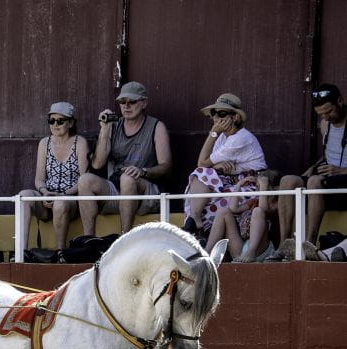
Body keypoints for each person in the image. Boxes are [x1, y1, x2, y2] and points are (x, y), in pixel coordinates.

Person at [76, 81, 172, 236]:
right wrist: (105, 130)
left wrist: (143, 171)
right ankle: (89, 239)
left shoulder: (156, 126)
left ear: (144, 103)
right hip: (117, 190)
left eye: (132, 102)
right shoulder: (114, 125)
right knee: (85, 180)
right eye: (122, 102)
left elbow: (166, 167)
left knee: (127, 178)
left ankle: (124, 236)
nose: (126, 106)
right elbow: (98, 163)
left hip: (146, 192)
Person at [273, 83, 347, 252]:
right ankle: (284, 245)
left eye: (329, 112)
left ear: (340, 101)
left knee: (314, 182)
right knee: (288, 180)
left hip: (343, 182)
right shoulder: (325, 124)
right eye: (321, 114)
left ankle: (309, 244)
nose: (326, 117)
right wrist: (314, 167)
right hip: (327, 180)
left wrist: (342, 171)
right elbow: (330, 152)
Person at [182, 93, 267, 238]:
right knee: (198, 180)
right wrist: (215, 167)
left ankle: (195, 225)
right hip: (231, 182)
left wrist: (212, 133)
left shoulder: (241, 137)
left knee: (203, 180)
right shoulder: (223, 136)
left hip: (251, 185)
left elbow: (202, 162)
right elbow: (206, 166)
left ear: (236, 117)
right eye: (214, 114)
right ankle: (195, 221)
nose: (216, 118)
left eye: (222, 114)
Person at [18, 101, 89, 251]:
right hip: (47, 198)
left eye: (60, 121)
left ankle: (60, 252)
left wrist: (61, 195)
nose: (55, 125)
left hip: (69, 200)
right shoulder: (44, 143)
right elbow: (39, 179)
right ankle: (21, 252)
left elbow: (83, 180)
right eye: (51, 120)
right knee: (23, 196)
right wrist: (44, 193)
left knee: (60, 203)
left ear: (71, 123)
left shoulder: (80, 142)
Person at [203, 173, 276, 262]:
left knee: (258, 211)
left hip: (261, 249)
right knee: (224, 212)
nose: (258, 188)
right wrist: (238, 186)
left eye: (260, 186)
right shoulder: (254, 201)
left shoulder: (275, 203)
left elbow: (263, 209)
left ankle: (251, 251)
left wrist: (264, 186)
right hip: (243, 249)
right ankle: (207, 253)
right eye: (258, 186)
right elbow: (233, 208)